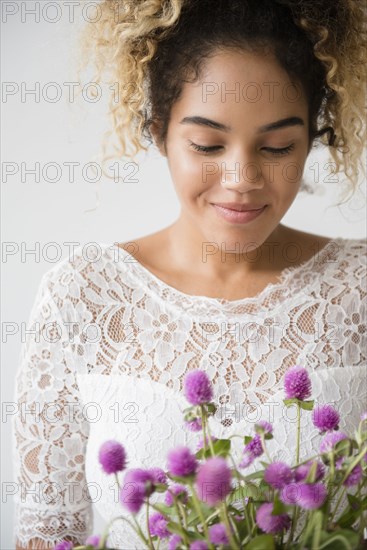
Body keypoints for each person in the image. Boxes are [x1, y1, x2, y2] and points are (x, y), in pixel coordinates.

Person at [13, 0, 366, 548]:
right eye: (207, 145)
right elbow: (46, 532)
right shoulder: (82, 295)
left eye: (277, 147)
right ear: (159, 131)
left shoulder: (359, 286)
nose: (242, 178)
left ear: (311, 140)